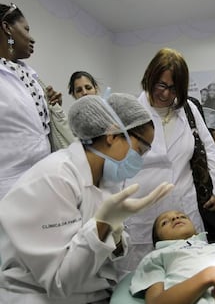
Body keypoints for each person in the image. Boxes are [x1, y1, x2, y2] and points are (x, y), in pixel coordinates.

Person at [0, 93, 174, 303]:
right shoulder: (55, 179)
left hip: (90, 291)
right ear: (112, 135)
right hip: (40, 296)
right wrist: (103, 224)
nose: (141, 158)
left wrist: (115, 234)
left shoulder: (106, 179)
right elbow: (60, 283)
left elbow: (111, 252)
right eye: (141, 149)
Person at [120, 48, 215, 270]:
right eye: (161, 85)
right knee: (141, 277)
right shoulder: (130, 111)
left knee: (190, 272)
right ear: (149, 78)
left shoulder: (187, 109)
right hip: (141, 208)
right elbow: (115, 161)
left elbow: (207, 147)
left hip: (182, 204)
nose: (167, 94)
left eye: (174, 88)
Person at [0, 3, 62, 200]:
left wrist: (50, 106)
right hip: (8, 186)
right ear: (7, 27)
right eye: (26, 29)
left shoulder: (29, 75)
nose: (32, 38)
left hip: (40, 179)